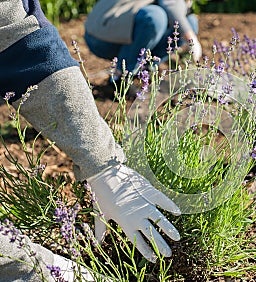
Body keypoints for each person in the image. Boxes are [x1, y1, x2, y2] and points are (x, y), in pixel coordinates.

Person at [0, 0, 181, 280]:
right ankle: (123, 74)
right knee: (155, 18)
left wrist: (102, 164)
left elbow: (24, 44)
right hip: (104, 30)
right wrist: (49, 272)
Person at [84, 0, 202, 79]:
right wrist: (192, 40)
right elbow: (171, 5)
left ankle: (143, 71)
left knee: (190, 22)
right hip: (101, 38)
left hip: (126, 33)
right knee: (155, 17)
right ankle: (122, 76)